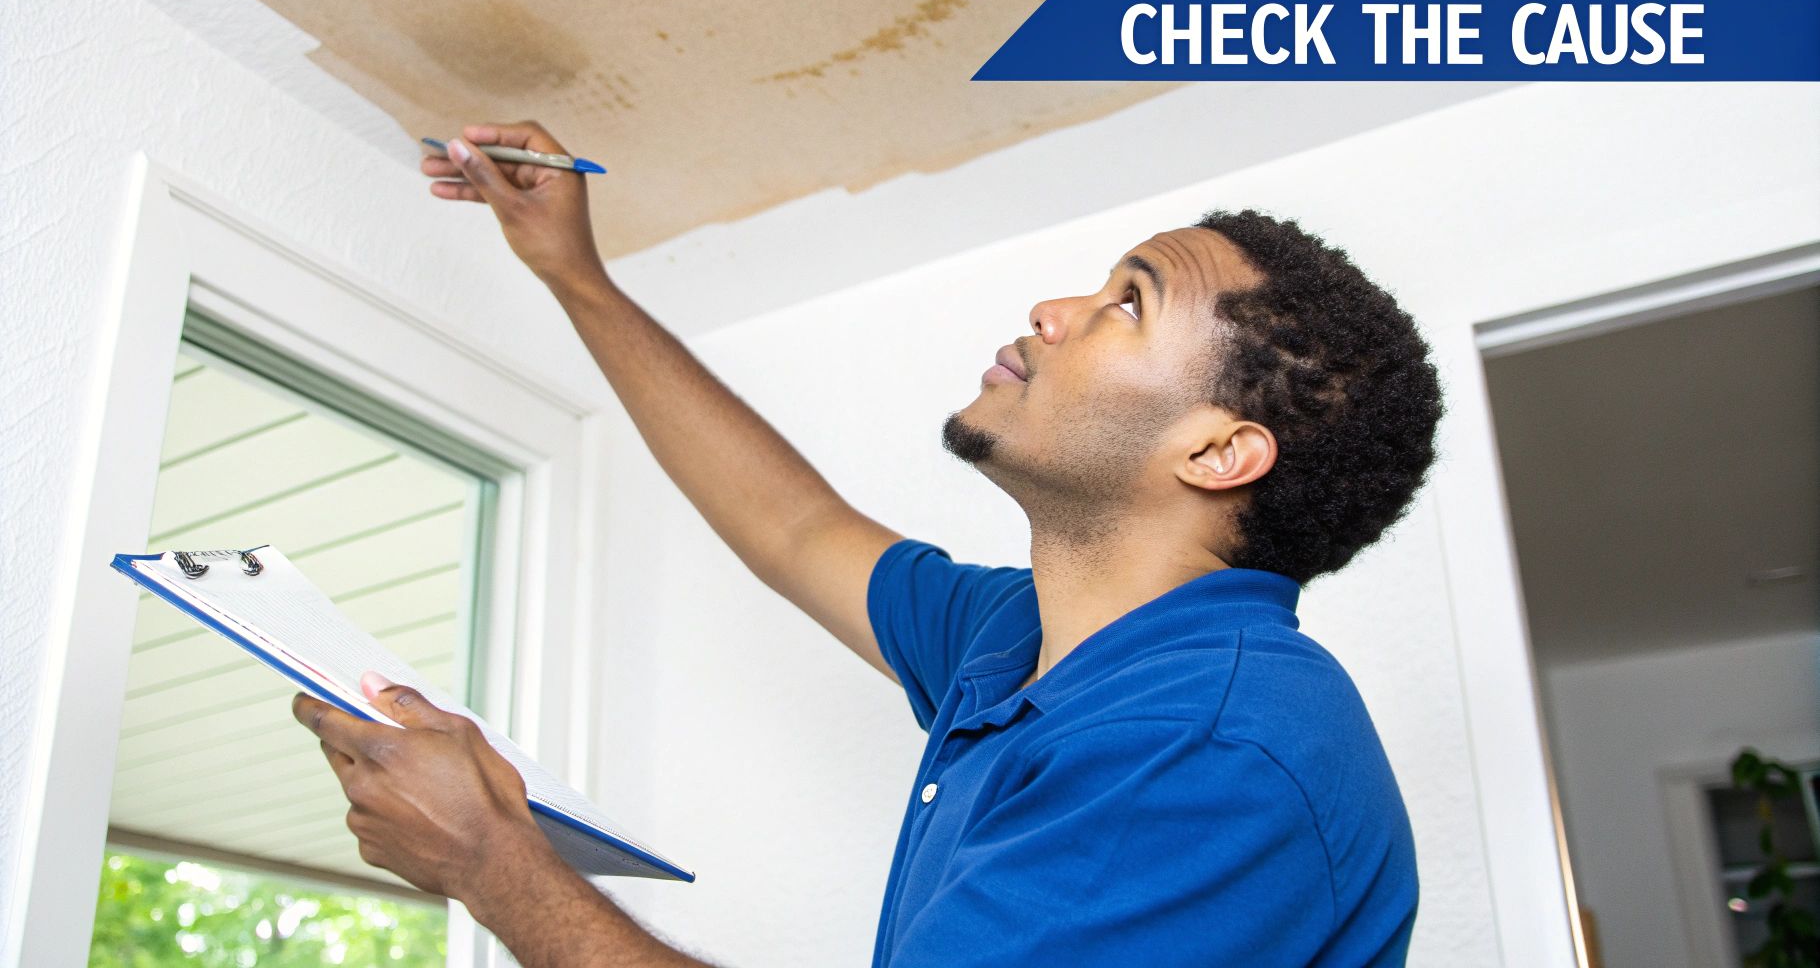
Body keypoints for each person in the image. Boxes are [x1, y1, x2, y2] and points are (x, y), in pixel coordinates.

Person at [294, 121, 1444, 967]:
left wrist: (489, 859)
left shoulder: (1208, 748)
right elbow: (793, 527)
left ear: (1216, 452)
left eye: (1126, 304)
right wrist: (572, 272)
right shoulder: (1030, 646)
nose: (1051, 309)